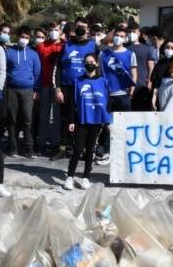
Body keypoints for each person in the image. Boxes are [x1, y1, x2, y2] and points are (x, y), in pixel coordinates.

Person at [64, 53, 110, 191]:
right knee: (77, 149)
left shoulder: (103, 81)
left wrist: (107, 121)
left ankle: (86, 178)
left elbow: (108, 103)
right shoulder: (78, 81)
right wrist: (71, 120)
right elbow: (72, 103)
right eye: (86, 61)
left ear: (96, 63)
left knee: (91, 150)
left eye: (91, 61)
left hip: (96, 120)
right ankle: (70, 177)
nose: (89, 63)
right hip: (81, 120)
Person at [54, 17, 96, 160]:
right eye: (78, 26)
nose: (80, 28)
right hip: (67, 87)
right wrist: (58, 89)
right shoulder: (66, 45)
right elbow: (58, 68)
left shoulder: (93, 46)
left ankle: (83, 148)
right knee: (65, 118)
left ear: (88, 29)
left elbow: (98, 68)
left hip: (85, 88)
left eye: (83, 26)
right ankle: (63, 148)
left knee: (84, 118)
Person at [97, 26, 137, 164]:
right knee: (108, 124)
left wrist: (132, 87)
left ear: (125, 39)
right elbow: (100, 73)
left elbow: (133, 72)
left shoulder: (130, 54)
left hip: (123, 94)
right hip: (108, 94)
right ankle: (107, 152)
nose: (118, 37)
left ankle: (125, 152)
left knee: (124, 124)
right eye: (116, 34)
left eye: (121, 35)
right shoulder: (104, 54)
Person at [4, 26, 41, 158]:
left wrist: (36, 90)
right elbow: (4, 70)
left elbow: (37, 74)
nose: (24, 39)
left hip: (28, 90)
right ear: (17, 37)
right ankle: (13, 148)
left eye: (26, 37)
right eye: (22, 37)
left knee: (27, 120)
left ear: (29, 39)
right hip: (11, 89)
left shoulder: (33, 54)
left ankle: (29, 149)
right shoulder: (9, 52)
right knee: (12, 119)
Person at [35, 22, 63, 155]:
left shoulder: (64, 46)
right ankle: (41, 144)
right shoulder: (41, 46)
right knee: (43, 116)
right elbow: (37, 67)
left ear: (60, 30)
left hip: (58, 87)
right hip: (44, 85)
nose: (54, 32)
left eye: (56, 29)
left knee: (57, 117)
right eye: (51, 30)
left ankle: (55, 144)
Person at [127, 26, 153, 111]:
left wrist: (149, 81)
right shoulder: (124, 48)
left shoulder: (147, 48)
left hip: (142, 86)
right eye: (130, 31)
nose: (132, 33)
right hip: (127, 86)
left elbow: (151, 67)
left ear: (139, 33)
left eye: (134, 31)